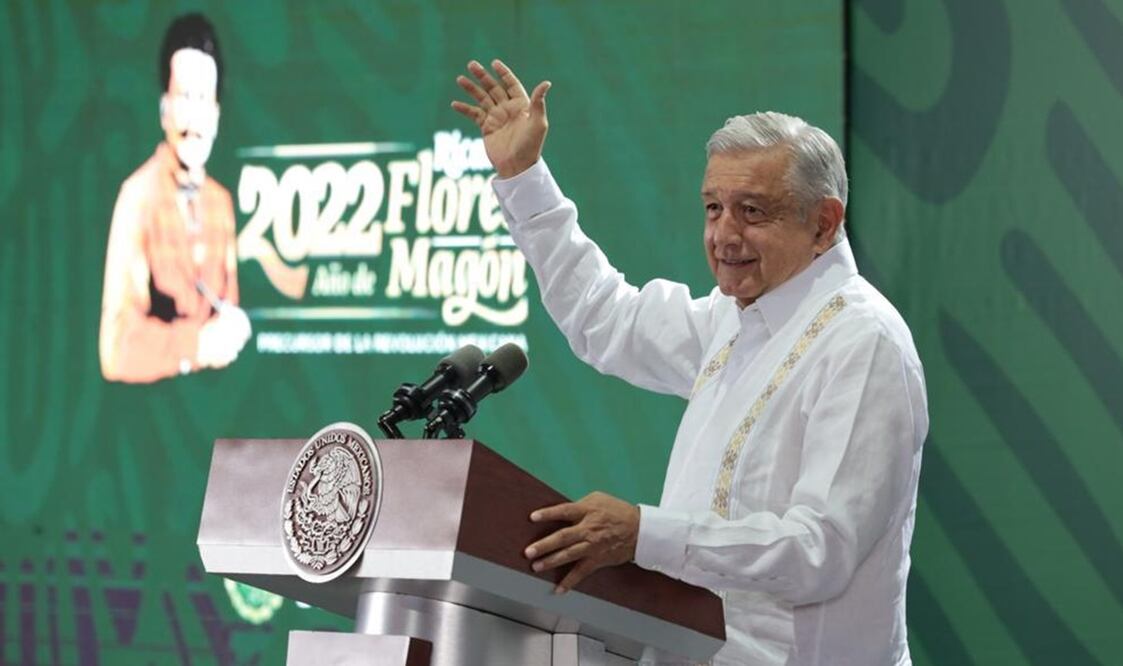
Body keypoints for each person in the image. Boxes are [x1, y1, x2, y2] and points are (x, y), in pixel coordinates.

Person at [453, 60, 928, 665]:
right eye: (712, 208)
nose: (723, 235)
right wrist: (523, 177)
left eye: (752, 211)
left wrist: (643, 535)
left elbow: (820, 550)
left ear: (824, 222)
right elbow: (605, 318)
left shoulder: (864, 342)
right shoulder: (731, 316)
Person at [99, 13, 250, 384]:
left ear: (216, 115)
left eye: (204, 99)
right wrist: (196, 345)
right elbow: (116, 350)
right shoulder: (138, 197)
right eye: (184, 97)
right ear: (165, 108)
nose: (193, 118)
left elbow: (226, 306)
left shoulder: (220, 202)